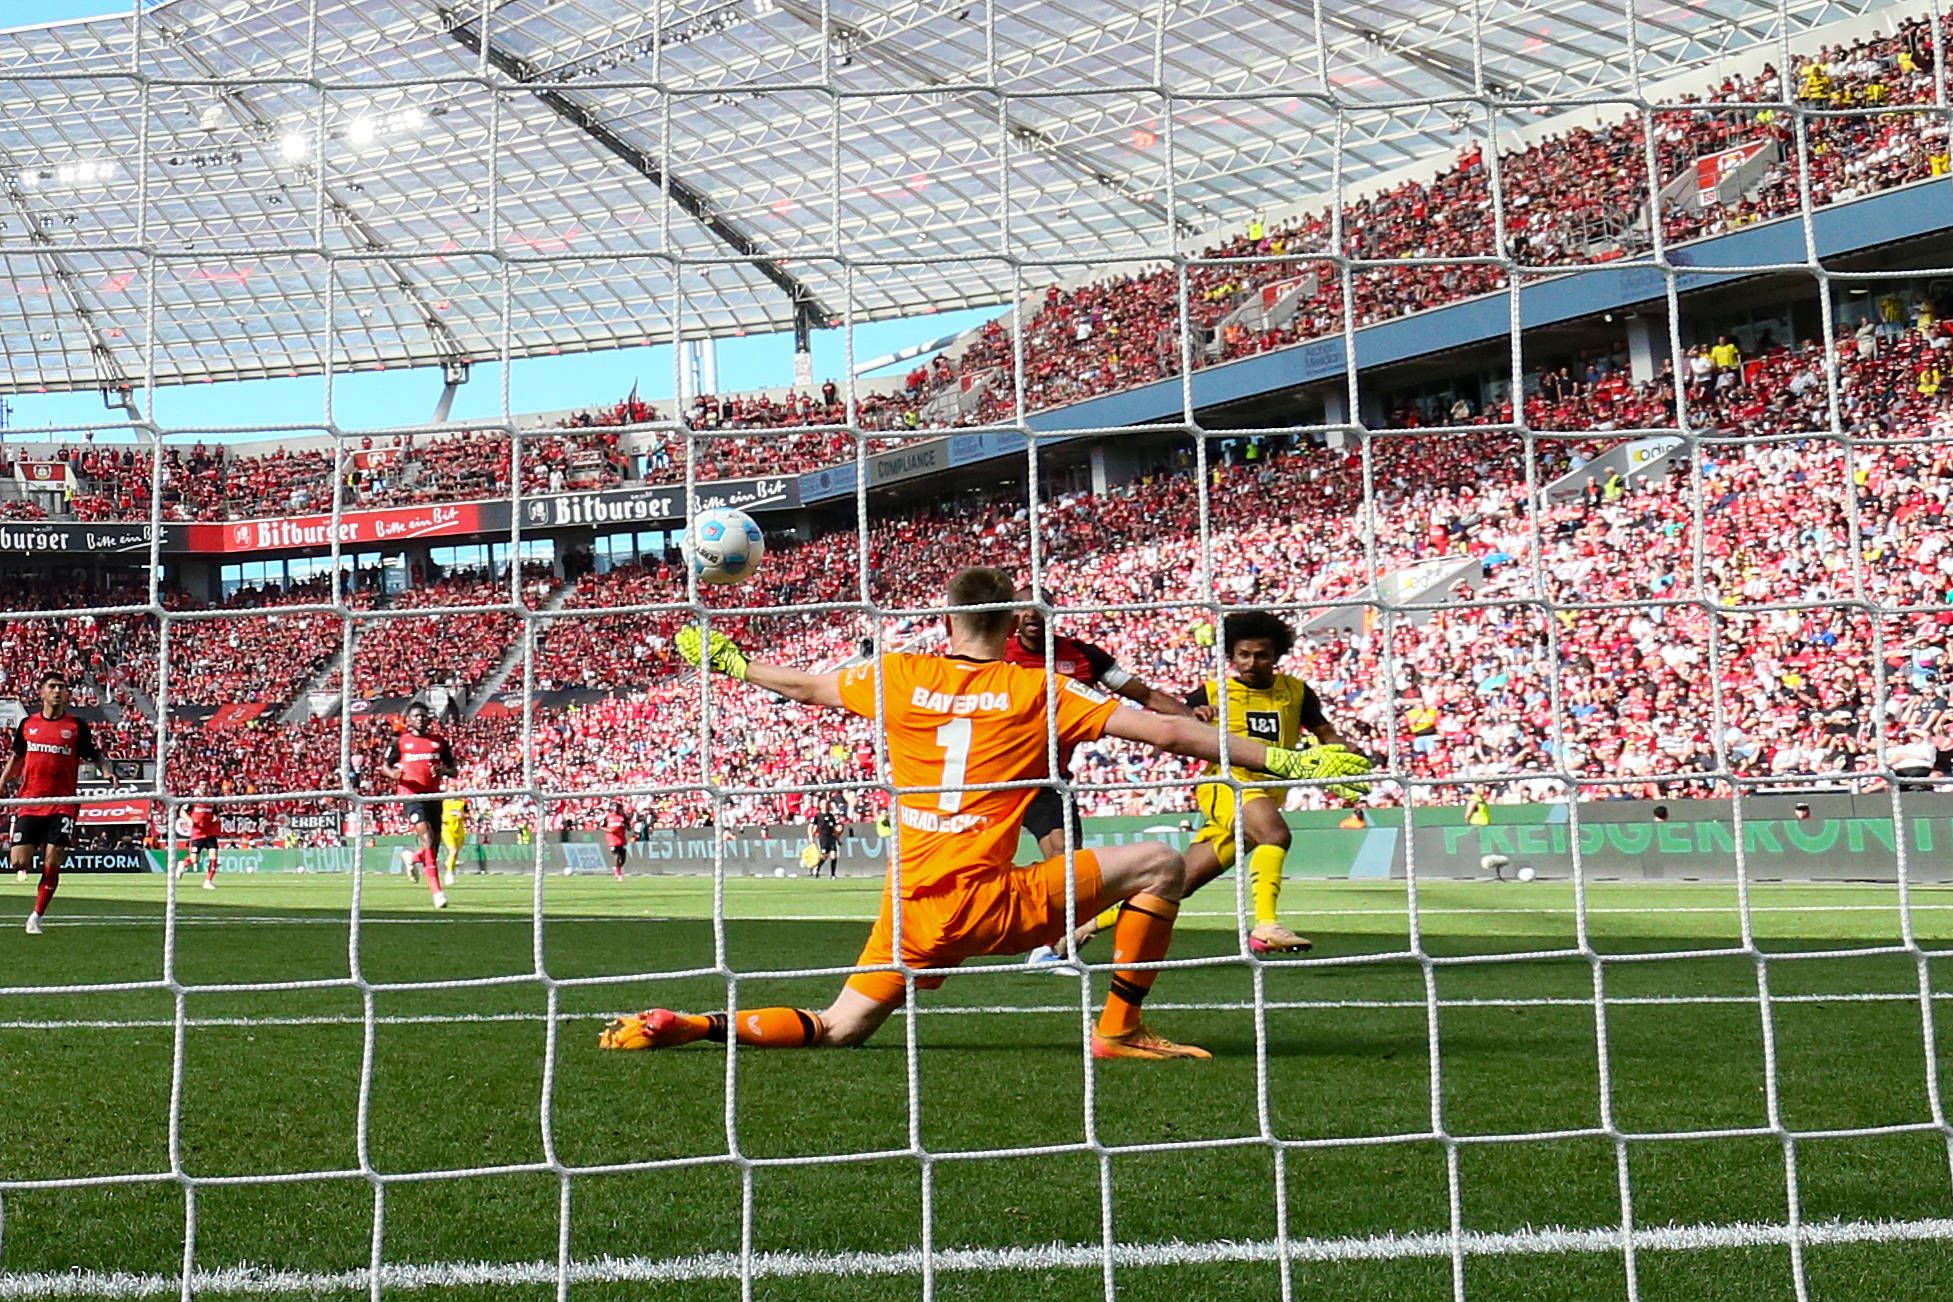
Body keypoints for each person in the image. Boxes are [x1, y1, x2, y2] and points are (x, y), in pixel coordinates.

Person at [600, 567, 1357, 1061]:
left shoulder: (897, 675)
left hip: (912, 908)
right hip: (992, 902)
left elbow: (806, 688)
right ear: (1009, 628)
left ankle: (686, 1024)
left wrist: (731, 663)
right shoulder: (1039, 690)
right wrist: (1287, 761)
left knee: (839, 1026)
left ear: (948, 620)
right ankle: (1119, 1030)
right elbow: (1167, 728)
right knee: (1159, 862)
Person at [1072, 611, 1368, 958]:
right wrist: (1193, 716)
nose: (1252, 662)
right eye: (1244, 654)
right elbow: (1174, 724)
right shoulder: (1212, 693)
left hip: (1266, 796)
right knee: (1276, 836)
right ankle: (1266, 926)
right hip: (1225, 785)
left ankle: (1088, 925)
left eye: (1261, 655)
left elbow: (1324, 730)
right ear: (1231, 655)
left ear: (1276, 656)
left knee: (1176, 885)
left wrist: (1343, 747)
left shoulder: (1297, 693)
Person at [1004, 584, 1197, 862]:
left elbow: (1146, 696)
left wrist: (1193, 719)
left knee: (1066, 861)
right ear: (1011, 614)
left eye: (1040, 605)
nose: (1032, 612)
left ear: (1053, 611)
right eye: (1023, 606)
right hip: (993, 777)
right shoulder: (995, 654)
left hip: (1047, 782)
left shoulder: (1084, 656)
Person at [4, 674, 108, 935]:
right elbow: (17, 756)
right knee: (18, 862)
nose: (58, 691)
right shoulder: (28, 724)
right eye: (52, 687)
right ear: (41, 693)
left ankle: (36, 916)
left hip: (63, 803)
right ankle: (38, 862)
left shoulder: (76, 726)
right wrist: (3, 779)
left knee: (54, 859)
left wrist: (107, 771)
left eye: (62, 687)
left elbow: (95, 754)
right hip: (30, 802)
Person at [380, 702, 457, 909]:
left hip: (433, 796)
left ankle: (411, 857)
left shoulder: (439, 742)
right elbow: (384, 766)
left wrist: (443, 771)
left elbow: (454, 770)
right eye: (416, 716)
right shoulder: (400, 742)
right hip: (411, 795)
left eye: (424, 716)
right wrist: (393, 774)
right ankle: (437, 892)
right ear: (409, 720)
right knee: (426, 837)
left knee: (433, 846)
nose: (421, 719)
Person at [182, 797, 221, 890]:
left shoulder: (211, 801)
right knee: (194, 859)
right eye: (202, 785)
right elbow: (182, 811)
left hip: (210, 834)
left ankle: (208, 881)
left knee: (214, 857)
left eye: (205, 785)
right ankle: (183, 864)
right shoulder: (193, 801)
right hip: (197, 834)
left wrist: (216, 818)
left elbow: (216, 814)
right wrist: (189, 819)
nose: (204, 788)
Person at [439, 795, 468, 886]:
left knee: (455, 853)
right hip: (447, 829)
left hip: (459, 831)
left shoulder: (462, 803)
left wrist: (462, 815)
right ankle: (449, 873)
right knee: (453, 850)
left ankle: (450, 866)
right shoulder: (444, 802)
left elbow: (468, 814)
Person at [811, 807, 840, 878]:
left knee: (833, 855)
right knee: (824, 856)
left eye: (826, 804)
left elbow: (834, 829)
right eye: (823, 804)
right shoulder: (818, 816)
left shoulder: (831, 816)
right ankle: (817, 868)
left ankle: (833, 874)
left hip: (831, 838)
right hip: (823, 838)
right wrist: (812, 836)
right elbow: (813, 827)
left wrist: (837, 839)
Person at [604, 803, 629, 880]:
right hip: (612, 838)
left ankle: (617, 867)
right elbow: (602, 826)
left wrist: (623, 826)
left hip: (621, 838)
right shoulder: (608, 817)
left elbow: (628, 827)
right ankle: (619, 873)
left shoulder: (623, 817)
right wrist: (609, 830)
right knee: (616, 855)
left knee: (623, 857)